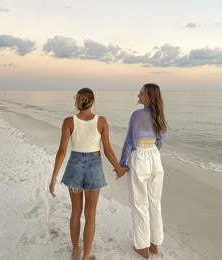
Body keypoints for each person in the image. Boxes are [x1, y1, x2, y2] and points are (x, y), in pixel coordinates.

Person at [49, 88, 128, 260]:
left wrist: (54, 177)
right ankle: (86, 256)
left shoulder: (69, 121)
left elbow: (62, 151)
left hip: (75, 167)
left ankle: (76, 250)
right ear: (92, 102)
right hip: (93, 167)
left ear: (77, 101)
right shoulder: (101, 121)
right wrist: (119, 168)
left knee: (76, 212)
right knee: (90, 213)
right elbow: (107, 150)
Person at [119, 83, 167, 259]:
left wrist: (122, 163)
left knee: (140, 203)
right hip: (155, 157)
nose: (137, 96)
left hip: (140, 156)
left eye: (141, 94)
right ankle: (155, 243)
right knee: (155, 202)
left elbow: (129, 141)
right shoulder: (160, 114)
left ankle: (142, 247)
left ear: (148, 97)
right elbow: (160, 141)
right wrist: (152, 153)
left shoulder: (137, 115)